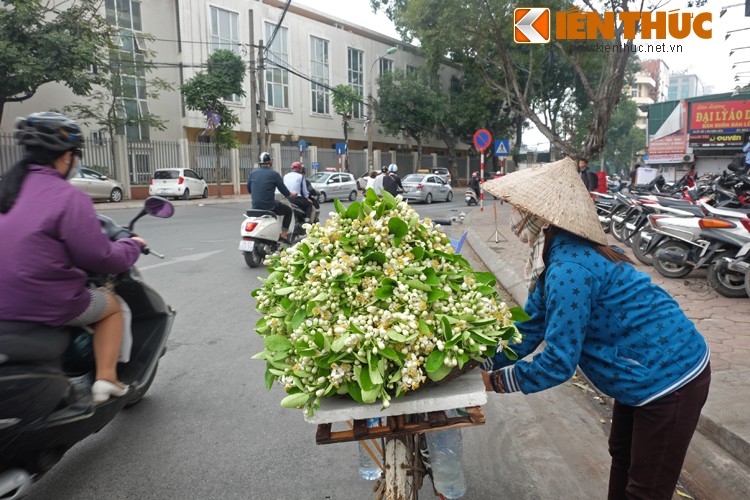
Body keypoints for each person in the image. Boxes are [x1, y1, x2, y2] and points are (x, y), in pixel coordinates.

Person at [481, 157, 710, 500]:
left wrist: (497, 381)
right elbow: (530, 329)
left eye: (518, 207)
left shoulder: (569, 269)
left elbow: (559, 362)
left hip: (670, 377)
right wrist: (480, 361)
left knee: (646, 489)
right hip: (640, 373)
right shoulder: (558, 258)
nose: (515, 213)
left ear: (542, 218)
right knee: (623, 455)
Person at [0, 112, 148, 403]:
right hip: (46, 303)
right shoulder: (69, 198)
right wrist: (131, 246)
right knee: (112, 306)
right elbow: (103, 259)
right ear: (67, 156)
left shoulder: (8, 191)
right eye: (76, 156)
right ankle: (107, 379)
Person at [247, 152, 297, 241]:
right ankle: (284, 234)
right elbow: (285, 192)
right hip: (269, 206)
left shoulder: (253, 174)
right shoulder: (274, 174)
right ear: (270, 162)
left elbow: (249, 189)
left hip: (255, 206)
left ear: (260, 163)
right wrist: (291, 194)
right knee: (288, 211)